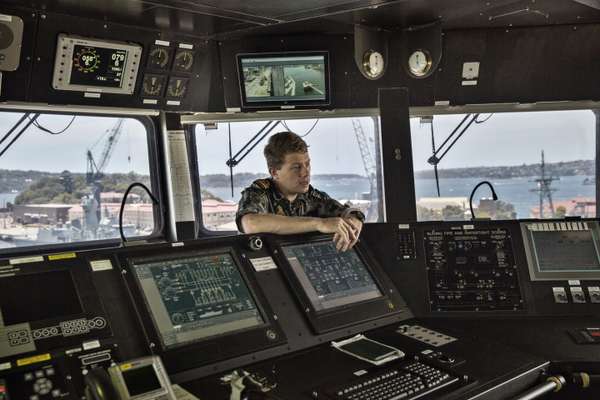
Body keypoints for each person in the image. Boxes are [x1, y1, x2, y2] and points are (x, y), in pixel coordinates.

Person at [236, 131, 365, 251]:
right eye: (296, 167)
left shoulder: (312, 197)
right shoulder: (259, 193)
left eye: (307, 164)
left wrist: (354, 221)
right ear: (274, 172)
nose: (305, 172)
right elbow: (250, 223)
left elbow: (348, 212)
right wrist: (319, 224)